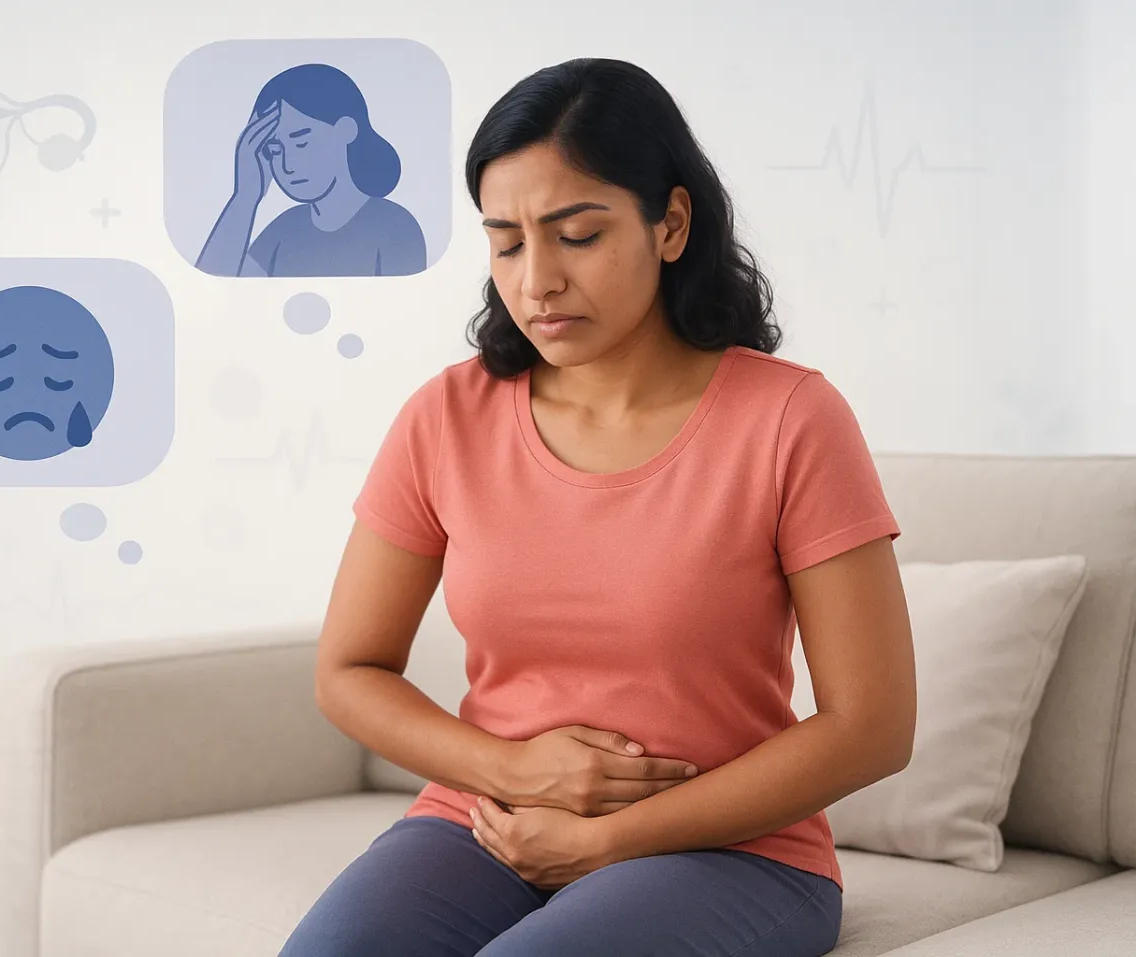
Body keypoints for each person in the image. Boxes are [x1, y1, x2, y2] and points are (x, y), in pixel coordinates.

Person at [280, 58, 916, 957]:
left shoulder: (789, 418)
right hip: (490, 822)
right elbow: (348, 669)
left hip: (734, 852)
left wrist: (603, 837)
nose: (536, 280)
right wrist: (510, 768)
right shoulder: (446, 417)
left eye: (576, 234)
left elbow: (873, 726)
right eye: (506, 242)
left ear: (671, 223)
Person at [195, 62, 427, 277]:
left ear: (346, 130)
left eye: (301, 142)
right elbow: (210, 291)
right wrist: (245, 196)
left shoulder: (396, 226)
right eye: (275, 150)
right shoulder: (283, 230)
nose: (287, 165)